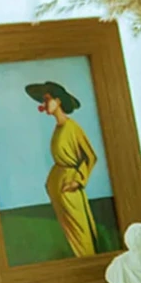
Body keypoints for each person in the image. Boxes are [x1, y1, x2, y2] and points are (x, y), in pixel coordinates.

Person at [25, 81, 98, 257]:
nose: (43, 104)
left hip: (69, 190)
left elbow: (90, 157)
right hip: (58, 190)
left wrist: (77, 181)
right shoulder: (58, 129)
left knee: (82, 235)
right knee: (70, 236)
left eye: (47, 99)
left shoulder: (72, 128)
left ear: (58, 101)